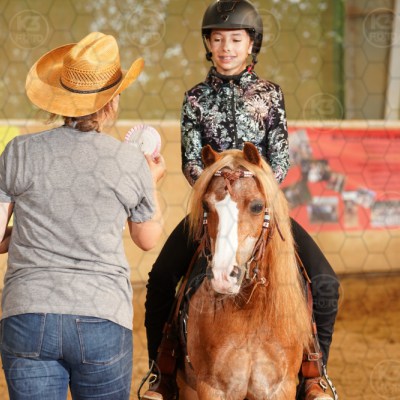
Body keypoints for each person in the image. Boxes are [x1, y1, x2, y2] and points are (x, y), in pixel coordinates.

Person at [144, 1, 339, 400]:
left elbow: (280, 158)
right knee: (161, 278)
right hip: (216, 208)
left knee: (325, 282)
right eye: (218, 39)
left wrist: (253, 187)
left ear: (252, 44)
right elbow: (191, 161)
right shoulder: (195, 99)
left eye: (235, 39)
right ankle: (161, 371)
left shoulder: (270, 95)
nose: (226, 48)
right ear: (208, 44)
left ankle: (313, 372)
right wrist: (218, 187)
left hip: (259, 208)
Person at [0, 32, 166, 400]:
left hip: (28, 313)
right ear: (112, 101)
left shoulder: (19, 150)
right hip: (102, 316)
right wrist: (151, 182)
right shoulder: (129, 161)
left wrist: (24, 233)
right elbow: (147, 238)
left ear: (60, 98)